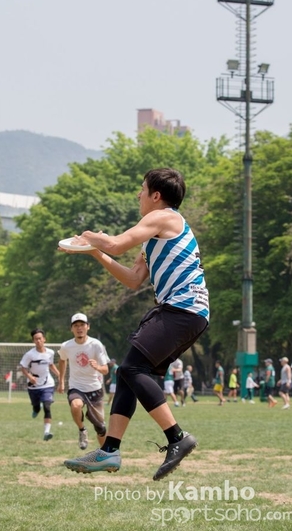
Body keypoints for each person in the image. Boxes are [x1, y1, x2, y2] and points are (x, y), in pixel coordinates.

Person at [59, 167, 209, 480]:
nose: (138, 195)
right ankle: (109, 450)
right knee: (128, 373)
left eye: (142, 189)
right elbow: (132, 278)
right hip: (188, 313)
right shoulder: (154, 234)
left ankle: (177, 437)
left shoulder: (163, 217)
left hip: (182, 309)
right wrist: (94, 251)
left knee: (131, 369)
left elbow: (115, 244)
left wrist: (89, 236)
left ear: (156, 195)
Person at [58, 313, 109, 450]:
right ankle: (82, 430)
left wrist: (97, 367)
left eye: (82, 325)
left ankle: (106, 454)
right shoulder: (66, 346)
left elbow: (105, 370)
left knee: (101, 428)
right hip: (76, 387)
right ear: (71, 329)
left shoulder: (96, 345)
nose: (79, 328)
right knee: (76, 405)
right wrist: (61, 381)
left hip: (95, 388)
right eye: (76, 325)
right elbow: (62, 360)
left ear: (88, 327)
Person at [19, 328, 60, 440]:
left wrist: (59, 375)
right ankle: (36, 408)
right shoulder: (30, 354)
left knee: (47, 406)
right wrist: (30, 377)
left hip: (47, 384)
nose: (38, 341)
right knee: (36, 407)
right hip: (33, 386)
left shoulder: (50, 352)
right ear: (33, 341)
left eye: (40, 338)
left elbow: (51, 365)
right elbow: (23, 367)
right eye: (36, 339)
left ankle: (47, 432)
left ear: (44, 339)